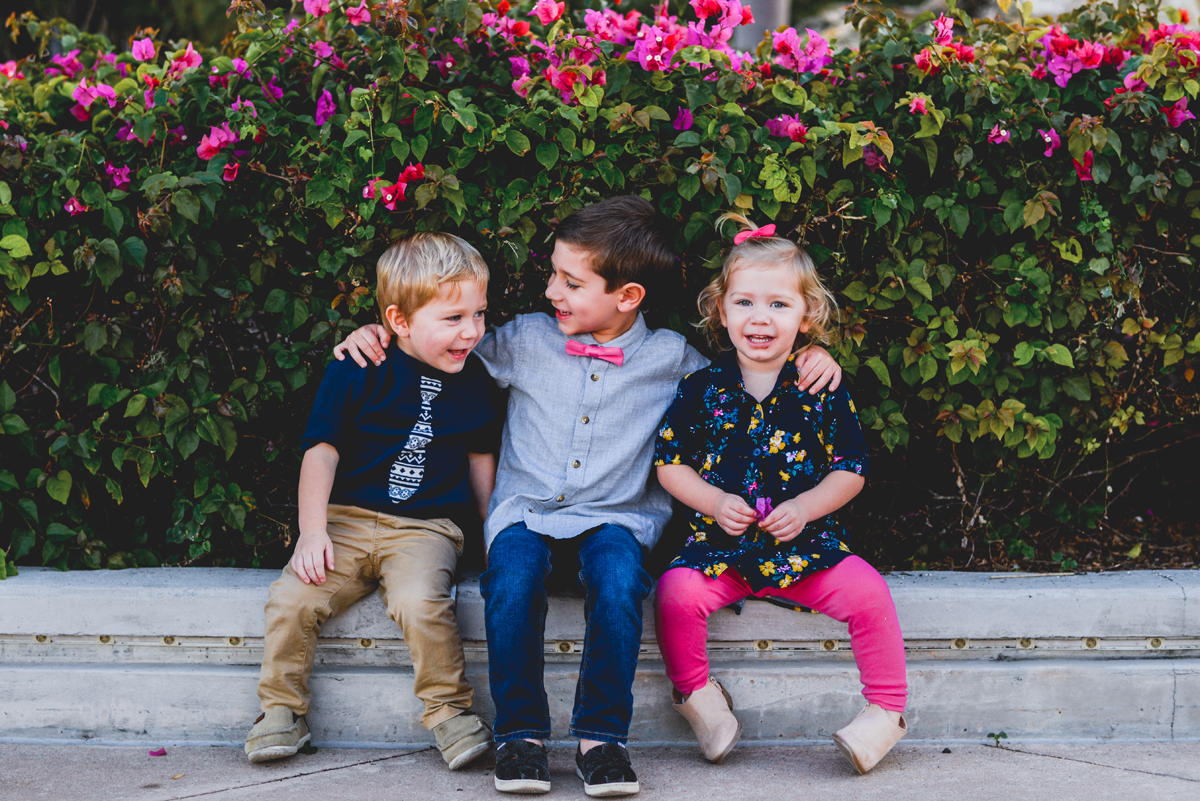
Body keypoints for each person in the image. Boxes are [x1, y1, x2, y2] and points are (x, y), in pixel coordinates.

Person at [333, 197, 843, 796]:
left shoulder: (673, 360)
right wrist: (379, 333)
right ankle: (520, 736)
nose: (552, 289)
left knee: (622, 580)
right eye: (554, 273)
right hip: (526, 512)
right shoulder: (523, 340)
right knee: (512, 578)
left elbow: (748, 372)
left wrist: (809, 352)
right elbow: (440, 345)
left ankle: (602, 741)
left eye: (570, 282)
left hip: (617, 519)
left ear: (626, 297)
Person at [652, 215, 908, 775]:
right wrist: (714, 502)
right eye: (744, 303)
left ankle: (885, 713)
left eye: (778, 305)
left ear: (806, 316)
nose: (760, 318)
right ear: (721, 311)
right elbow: (670, 464)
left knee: (869, 594)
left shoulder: (820, 385)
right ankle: (699, 699)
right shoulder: (701, 387)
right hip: (721, 547)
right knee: (674, 594)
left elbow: (852, 469)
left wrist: (807, 506)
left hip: (806, 547)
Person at [244, 233, 497, 771]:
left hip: (427, 528)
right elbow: (322, 452)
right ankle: (281, 712)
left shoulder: (475, 380)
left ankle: (449, 713)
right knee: (292, 601)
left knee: (421, 602)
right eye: (453, 318)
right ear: (399, 321)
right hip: (345, 521)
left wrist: (494, 535)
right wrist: (312, 532)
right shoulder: (358, 366)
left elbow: (480, 462)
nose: (472, 331)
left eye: (479, 313)